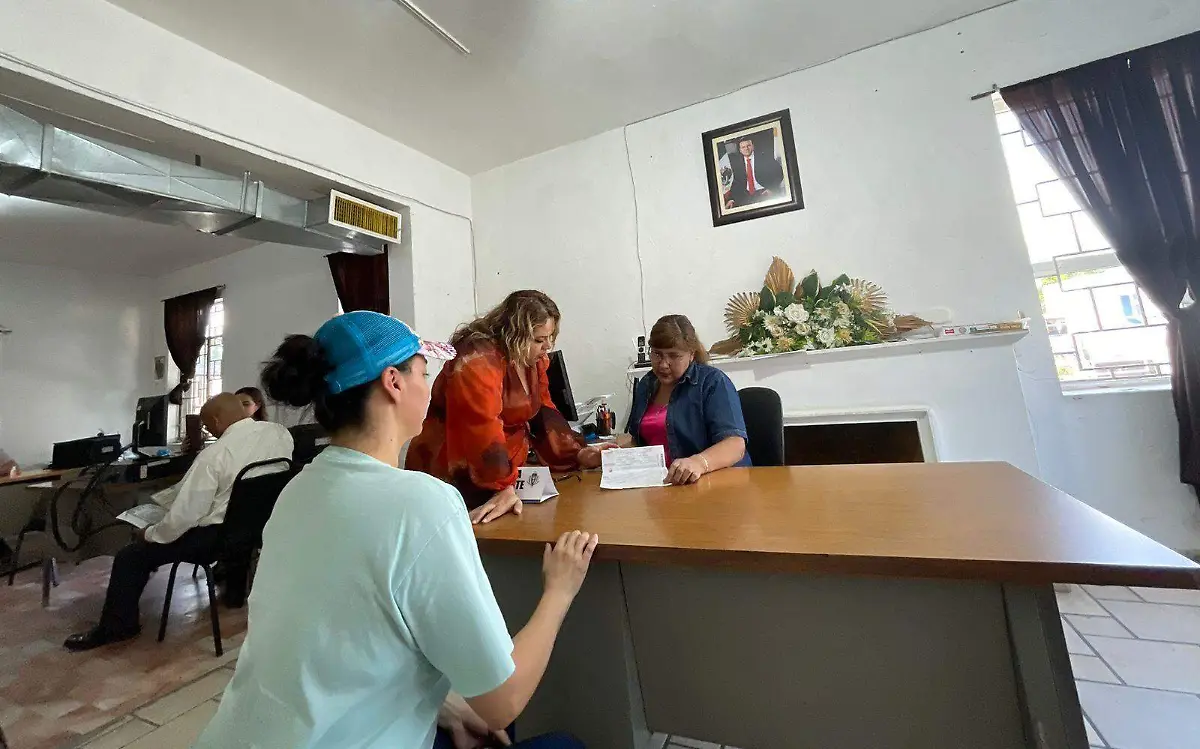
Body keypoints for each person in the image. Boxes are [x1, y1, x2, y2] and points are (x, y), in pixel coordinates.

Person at [194, 311, 593, 749]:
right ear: (393, 382)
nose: (430, 387)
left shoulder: (295, 492)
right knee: (562, 743)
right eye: (423, 372)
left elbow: (342, 639)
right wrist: (559, 590)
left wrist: (441, 702)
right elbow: (504, 700)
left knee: (476, 716)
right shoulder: (422, 504)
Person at [63, 393, 294, 652]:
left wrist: (150, 534)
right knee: (169, 528)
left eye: (207, 425)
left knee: (130, 557)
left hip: (214, 540)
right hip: (256, 530)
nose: (207, 431)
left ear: (217, 420)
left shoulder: (215, 455)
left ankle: (117, 628)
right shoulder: (279, 434)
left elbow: (187, 515)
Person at [406, 290, 611, 524]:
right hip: (451, 472)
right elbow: (481, 426)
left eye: (550, 337)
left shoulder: (531, 360)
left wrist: (577, 453)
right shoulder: (476, 359)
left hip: (497, 470)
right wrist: (501, 486)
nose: (547, 346)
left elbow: (543, 411)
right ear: (515, 334)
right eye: (539, 340)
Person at [625, 314, 750, 485]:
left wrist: (699, 463)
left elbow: (735, 445)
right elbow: (638, 442)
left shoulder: (712, 382)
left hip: (713, 484)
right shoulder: (646, 384)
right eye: (657, 354)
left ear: (691, 354)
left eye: (673, 356)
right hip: (663, 484)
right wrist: (609, 455)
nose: (663, 364)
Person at [721, 135, 785, 209]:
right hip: (745, 196)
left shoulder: (764, 157)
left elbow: (779, 173)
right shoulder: (737, 163)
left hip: (763, 192)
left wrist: (771, 189)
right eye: (743, 147)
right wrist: (732, 199)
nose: (746, 148)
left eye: (748, 146)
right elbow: (736, 182)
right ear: (740, 150)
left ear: (753, 146)